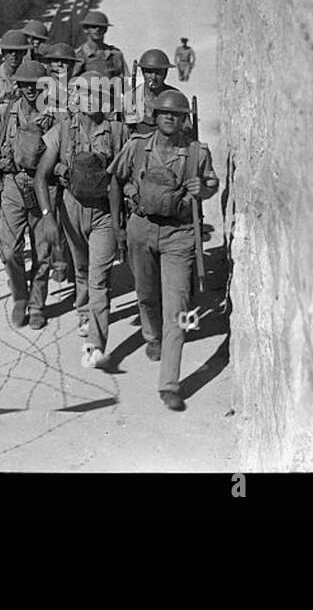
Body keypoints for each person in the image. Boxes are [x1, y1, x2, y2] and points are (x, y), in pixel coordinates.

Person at [108, 89, 218, 411]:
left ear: (185, 119)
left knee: (178, 306)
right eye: (165, 113)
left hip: (179, 235)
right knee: (145, 293)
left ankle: (169, 382)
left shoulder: (197, 152)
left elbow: (212, 184)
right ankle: (151, 334)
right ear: (155, 116)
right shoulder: (137, 147)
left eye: (177, 114)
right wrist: (117, 226)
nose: (171, 118)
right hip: (140, 229)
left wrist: (206, 190)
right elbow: (115, 179)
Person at [35, 67, 129, 368]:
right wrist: (48, 216)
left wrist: (121, 220)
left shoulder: (117, 132)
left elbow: (127, 175)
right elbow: (41, 175)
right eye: (84, 95)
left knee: (99, 278)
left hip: (104, 212)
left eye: (96, 96)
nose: (90, 101)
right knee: (82, 269)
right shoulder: (63, 130)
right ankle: (84, 313)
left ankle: (96, 345)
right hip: (70, 208)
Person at [0, 60, 57, 329]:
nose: (31, 90)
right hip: (13, 184)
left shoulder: (56, 116)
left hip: (44, 187)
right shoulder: (7, 112)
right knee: (9, 248)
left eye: (36, 85)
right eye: (26, 84)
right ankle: (20, 296)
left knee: (43, 250)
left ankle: (37, 303)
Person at [38, 42, 81, 283]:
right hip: (45, 161)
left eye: (64, 62)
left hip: (70, 162)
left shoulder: (79, 92)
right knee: (49, 215)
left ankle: (71, 266)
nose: (59, 66)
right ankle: (56, 258)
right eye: (54, 62)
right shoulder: (39, 92)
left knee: (72, 218)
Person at [128, 48, 185, 138]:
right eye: (149, 72)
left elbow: (186, 131)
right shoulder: (132, 98)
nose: (153, 77)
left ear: (165, 73)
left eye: (158, 73)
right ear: (143, 72)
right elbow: (123, 134)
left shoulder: (175, 98)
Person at [71, 10, 126, 85]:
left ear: (105, 30)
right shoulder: (78, 55)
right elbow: (69, 83)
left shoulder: (115, 55)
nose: (97, 29)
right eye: (93, 27)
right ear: (86, 29)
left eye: (101, 27)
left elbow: (125, 82)